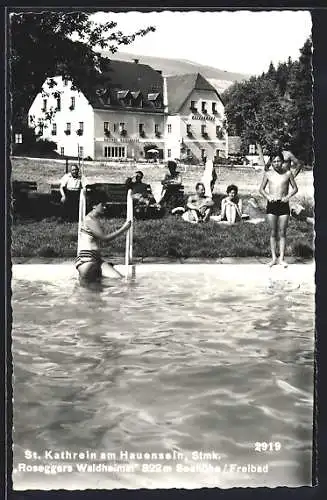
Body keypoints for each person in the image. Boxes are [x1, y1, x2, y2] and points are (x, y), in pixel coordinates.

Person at [75, 190, 131, 283]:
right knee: (89, 288)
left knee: (120, 279)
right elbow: (105, 238)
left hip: (96, 259)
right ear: (94, 206)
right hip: (86, 260)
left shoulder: (94, 219)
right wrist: (124, 229)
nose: (105, 207)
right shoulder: (89, 220)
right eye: (102, 205)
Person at [259, 152, 298, 267]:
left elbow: (295, 188)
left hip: (283, 205)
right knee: (273, 232)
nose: (276, 163)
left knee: (282, 232)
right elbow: (261, 189)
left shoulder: (288, 173)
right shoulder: (268, 174)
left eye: (278, 161)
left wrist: (287, 197)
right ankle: (273, 258)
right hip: (272, 205)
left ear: (282, 161)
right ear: (271, 162)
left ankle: (281, 258)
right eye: (274, 161)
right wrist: (268, 196)